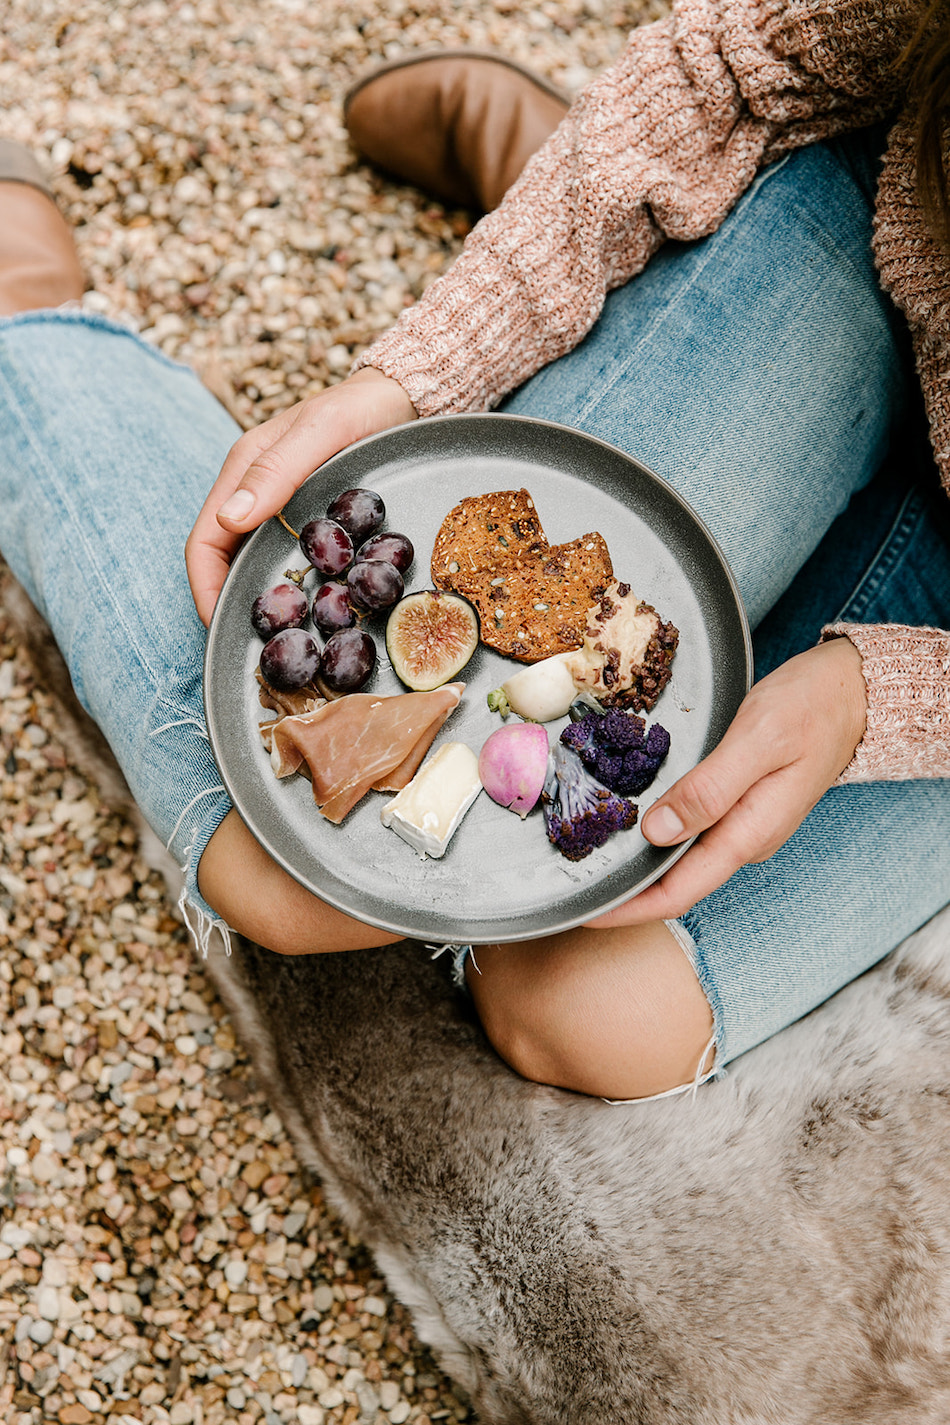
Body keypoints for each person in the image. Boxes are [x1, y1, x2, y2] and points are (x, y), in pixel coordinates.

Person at [2, 0, 948, 1104]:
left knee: (584, 1016)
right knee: (283, 868)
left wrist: (875, 700)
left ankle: (596, 233)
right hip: (870, 256)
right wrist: (427, 367)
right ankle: (28, 332)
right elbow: (731, 73)